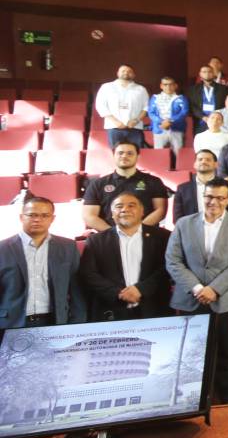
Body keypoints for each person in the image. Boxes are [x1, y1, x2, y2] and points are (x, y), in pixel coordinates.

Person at [165, 178, 228, 403]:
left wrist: (214, 289)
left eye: (219, 197)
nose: (213, 201)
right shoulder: (184, 224)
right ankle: (193, 402)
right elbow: (173, 261)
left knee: (226, 353)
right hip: (190, 299)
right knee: (190, 356)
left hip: (226, 300)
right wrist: (197, 288)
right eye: (208, 196)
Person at [79, 193, 171, 321]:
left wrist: (141, 290)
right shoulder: (96, 241)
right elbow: (88, 273)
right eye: (119, 206)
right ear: (112, 214)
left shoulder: (163, 237)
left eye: (131, 206)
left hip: (154, 308)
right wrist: (118, 293)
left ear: (142, 211)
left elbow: (168, 267)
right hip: (111, 310)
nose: (124, 209)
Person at [0, 197, 87, 328]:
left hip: (55, 322)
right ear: (21, 217)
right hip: (11, 324)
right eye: (32, 215)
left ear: (52, 219)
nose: (37, 219)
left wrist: (77, 323)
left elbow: (77, 290)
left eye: (44, 215)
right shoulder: (3, 249)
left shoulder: (68, 247)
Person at [82, 141, 170, 231]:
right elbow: (89, 216)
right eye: (120, 153)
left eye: (130, 153)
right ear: (113, 156)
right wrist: (114, 234)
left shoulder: (154, 182)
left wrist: (137, 231)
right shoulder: (98, 184)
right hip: (109, 237)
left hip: (146, 235)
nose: (124, 156)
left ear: (138, 156)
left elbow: (160, 210)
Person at [95, 64, 150, 149]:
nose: (126, 73)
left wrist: (136, 120)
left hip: (135, 127)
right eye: (123, 71)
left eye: (129, 71)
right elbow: (100, 106)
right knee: (115, 154)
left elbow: (146, 107)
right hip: (114, 127)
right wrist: (115, 121)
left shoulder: (141, 89)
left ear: (134, 74)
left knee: (137, 154)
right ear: (117, 73)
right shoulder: (107, 87)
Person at [174, 149, 219, 222]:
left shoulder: (227, 187)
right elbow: (177, 218)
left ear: (216, 164)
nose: (203, 162)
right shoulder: (182, 189)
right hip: (190, 231)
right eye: (200, 159)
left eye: (208, 160)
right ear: (194, 164)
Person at [147, 75, 188, 152]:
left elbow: (184, 112)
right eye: (165, 84)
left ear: (175, 86)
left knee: (178, 154)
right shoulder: (155, 97)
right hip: (160, 128)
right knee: (159, 154)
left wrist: (170, 121)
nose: (168, 87)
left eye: (171, 84)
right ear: (161, 86)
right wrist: (162, 122)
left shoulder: (181, 98)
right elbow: (151, 113)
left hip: (176, 128)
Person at [186, 64, 228, 132]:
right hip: (200, 121)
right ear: (200, 74)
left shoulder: (223, 89)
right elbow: (192, 106)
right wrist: (202, 117)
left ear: (213, 73)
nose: (207, 73)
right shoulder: (193, 89)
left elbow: (226, 105)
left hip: (218, 122)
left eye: (210, 71)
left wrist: (217, 116)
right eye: (204, 72)